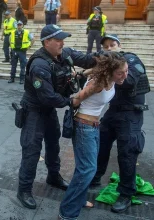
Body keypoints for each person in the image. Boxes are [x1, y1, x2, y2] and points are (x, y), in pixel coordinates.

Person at [17, 24, 97, 210]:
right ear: (46, 42)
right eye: (58, 39)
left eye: (63, 39)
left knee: (53, 144)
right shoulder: (39, 64)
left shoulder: (65, 53)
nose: (62, 42)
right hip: (34, 111)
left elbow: (87, 59)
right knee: (32, 150)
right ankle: (24, 190)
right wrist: (73, 100)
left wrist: (110, 57)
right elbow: (48, 97)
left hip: (49, 111)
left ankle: (54, 177)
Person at [58, 52, 128, 220]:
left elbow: (95, 69)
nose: (125, 75)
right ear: (111, 72)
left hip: (94, 125)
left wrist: (83, 73)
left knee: (86, 167)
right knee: (87, 169)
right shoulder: (98, 83)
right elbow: (75, 100)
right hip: (84, 126)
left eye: (126, 70)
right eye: (121, 73)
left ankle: (80, 199)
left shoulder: (108, 76)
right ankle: (66, 213)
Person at [91, 34, 150, 213]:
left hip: (131, 113)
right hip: (113, 111)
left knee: (127, 153)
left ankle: (126, 193)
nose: (109, 48)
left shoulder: (131, 59)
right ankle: (95, 178)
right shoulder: (107, 64)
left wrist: (106, 71)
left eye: (112, 45)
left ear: (119, 45)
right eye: (106, 46)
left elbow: (128, 81)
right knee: (100, 145)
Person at [8, 20, 34, 84]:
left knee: (22, 66)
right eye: (18, 25)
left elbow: (32, 39)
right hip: (15, 50)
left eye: (20, 25)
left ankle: (22, 79)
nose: (19, 26)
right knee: (13, 65)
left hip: (22, 51)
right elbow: (9, 39)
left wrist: (29, 46)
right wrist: (11, 46)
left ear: (22, 25)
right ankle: (12, 78)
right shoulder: (13, 32)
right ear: (16, 26)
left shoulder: (26, 32)